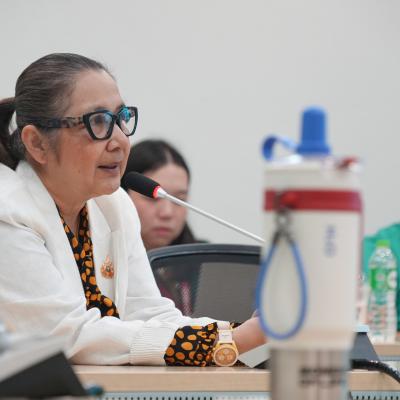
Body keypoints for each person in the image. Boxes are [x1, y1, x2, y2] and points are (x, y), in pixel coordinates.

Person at [0, 53, 266, 366]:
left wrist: (243, 332)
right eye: (97, 122)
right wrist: (233, 340)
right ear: (37, 143)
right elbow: (66, 336)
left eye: (121, 119)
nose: (119, 142)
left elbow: (149, 314)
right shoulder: (8, 210)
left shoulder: (112, 203)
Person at [121, 139, 197, 251]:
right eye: (152, 198)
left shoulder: (206, 258)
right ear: (122, 193)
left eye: (179, 199)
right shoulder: (98, 254)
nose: (167, 213)